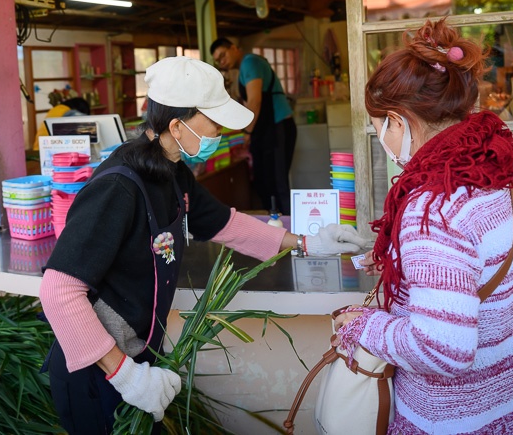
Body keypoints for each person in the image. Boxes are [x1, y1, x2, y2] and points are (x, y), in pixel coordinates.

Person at [40, 56, 373, 434]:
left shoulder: (172, 170)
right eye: (213, 121)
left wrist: (309, 242)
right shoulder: (118, 187)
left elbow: (225, 223)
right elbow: (59, 290)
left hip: (139, 360)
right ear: (178, 125)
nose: (219, 130)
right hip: (97, 376)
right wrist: (125, 375)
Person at [333, 19, 513, 434]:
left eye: (380, 125)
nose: (381, 135)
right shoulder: (504, 169)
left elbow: (443, 351)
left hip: (454, 417)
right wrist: (408, 264)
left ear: (397, 121)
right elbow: (481, 260)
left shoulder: (433, 209)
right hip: (512, 396)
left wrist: (362, 324)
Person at [209, 38, 297, 214]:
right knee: (267, 182)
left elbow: (255, 101)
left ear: (234, 48)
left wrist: (247, 132)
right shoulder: (244, 69)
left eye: (223, 55)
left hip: (277, 127)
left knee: (277, 184)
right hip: (267, 130)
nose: (222, 62)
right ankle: (277, 227)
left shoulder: (250, 62)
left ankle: (290, 232)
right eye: (218, 60)